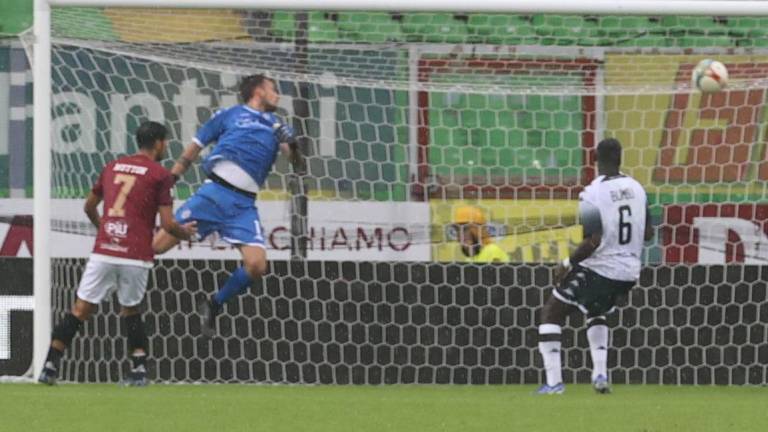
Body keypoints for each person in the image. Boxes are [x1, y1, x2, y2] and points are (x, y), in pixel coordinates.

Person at [38, 121, 197, 386]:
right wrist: (185, 234)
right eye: (166, 141)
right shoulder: (160, 175)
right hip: (135, 255)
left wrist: (106, 230)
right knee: (131, 310)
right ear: (158, 142)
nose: (166, 146)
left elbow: (89, 207)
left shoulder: (111, 167)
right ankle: (138, 370)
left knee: (80, 309)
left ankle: (50, 365)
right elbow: (168, 225)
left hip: (105, 250)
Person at [152, 74, 299, 337]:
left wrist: (294, 143)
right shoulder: (229, 115)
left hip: (243, 206)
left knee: (257, 265)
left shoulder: (277, 125)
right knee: (156, 247)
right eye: (273, 89)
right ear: (258, 91)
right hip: (214, 194)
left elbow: (298, 164)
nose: (278, 94)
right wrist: (171, 179)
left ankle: (214, 303)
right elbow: (193, 149)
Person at [536, 138, 653, 395]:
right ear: (621, 159)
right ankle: (600, 374)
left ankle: (554, 383)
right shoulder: (638, 189)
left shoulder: (592, 193)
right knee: (595, 310)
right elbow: (648, 234)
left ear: (594, 159)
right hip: (629, 272)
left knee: (552, 312)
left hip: (602, 268)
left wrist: (567, 263)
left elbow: (594, 239)